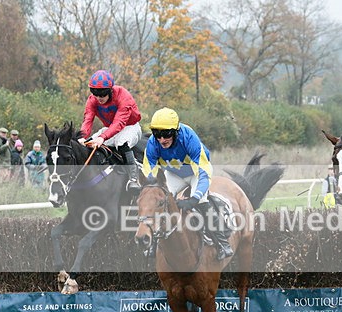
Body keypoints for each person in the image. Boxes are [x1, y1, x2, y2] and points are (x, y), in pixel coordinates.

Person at [142, 107, 233, 260]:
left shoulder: (189, 138)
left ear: (176, 132)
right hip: (173, 174)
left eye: (166, 134)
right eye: (157, 134)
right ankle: (154, 244)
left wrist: (194, 199)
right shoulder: (152, 143)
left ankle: (223, 243)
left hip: (196, 173)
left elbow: (204, 172)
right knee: (159, 201)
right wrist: (152, 188)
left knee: (202, 200)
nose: (162, 139)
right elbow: (148, 171)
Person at [78, 69, 142, 191]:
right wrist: (82, 137)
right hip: (109, 129)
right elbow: (88, 119)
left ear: (110, 90)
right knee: (88, 144)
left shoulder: (123, 96)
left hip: (130, 127)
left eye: (102, 94)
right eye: (95, 94)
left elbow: (119, 122)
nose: (99, 98)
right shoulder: (92, 100)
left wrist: (102, 137)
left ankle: (133, 179)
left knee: (121, 142)